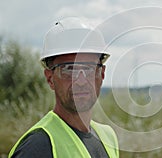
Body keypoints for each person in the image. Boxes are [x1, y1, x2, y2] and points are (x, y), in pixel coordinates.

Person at [9, 17, 119, 158]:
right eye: (69, 69)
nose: (80, 81)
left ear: (102, 74)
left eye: (89, 68)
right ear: (50, 78)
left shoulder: (108, 137)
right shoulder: (37, 147)